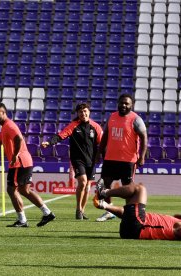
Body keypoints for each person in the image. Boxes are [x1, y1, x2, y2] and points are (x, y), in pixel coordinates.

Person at [0, 102, 55, 227]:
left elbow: (18, 138)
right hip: (24, 161)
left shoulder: (9, 125)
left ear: (4, 113)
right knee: (24, 190)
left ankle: (22, 220)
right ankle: (47, 213)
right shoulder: (4, 127)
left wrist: (14, 155)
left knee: (12, 189)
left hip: (19, 162)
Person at [42, 103, 103, 220]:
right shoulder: (74, 126)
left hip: (91, 160)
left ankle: (82, 211)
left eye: (85, 111)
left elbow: (102, 143)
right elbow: (61, 135)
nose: (83, 113)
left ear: (89, 112)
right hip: (77, 159)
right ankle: (78, 209)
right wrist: (49, 142)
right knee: (83, 182)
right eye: (80, 112)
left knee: (88, 187)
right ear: (78, 114)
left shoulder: (96, 127)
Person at [95, 93, 147, 222]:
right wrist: (98, 153)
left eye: (126, 103)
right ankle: (109, 211)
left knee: (128, 189)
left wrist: (142, 156)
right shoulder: (112, 117)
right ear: (118, 103)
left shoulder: (136, 119)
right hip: (110, 158)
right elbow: (105, 136)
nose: (123, 105)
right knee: (105, 184)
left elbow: (144, 137)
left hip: (128, 161)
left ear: (131, 105)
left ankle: (129, 214)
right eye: (121, 103)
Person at [93, 180, 181, 240]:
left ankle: (104, 192)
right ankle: (104, 204)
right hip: (131, 229)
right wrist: (105, 206)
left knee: (140, 189)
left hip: (139, 227)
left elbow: (178, 232)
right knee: (130, 210)